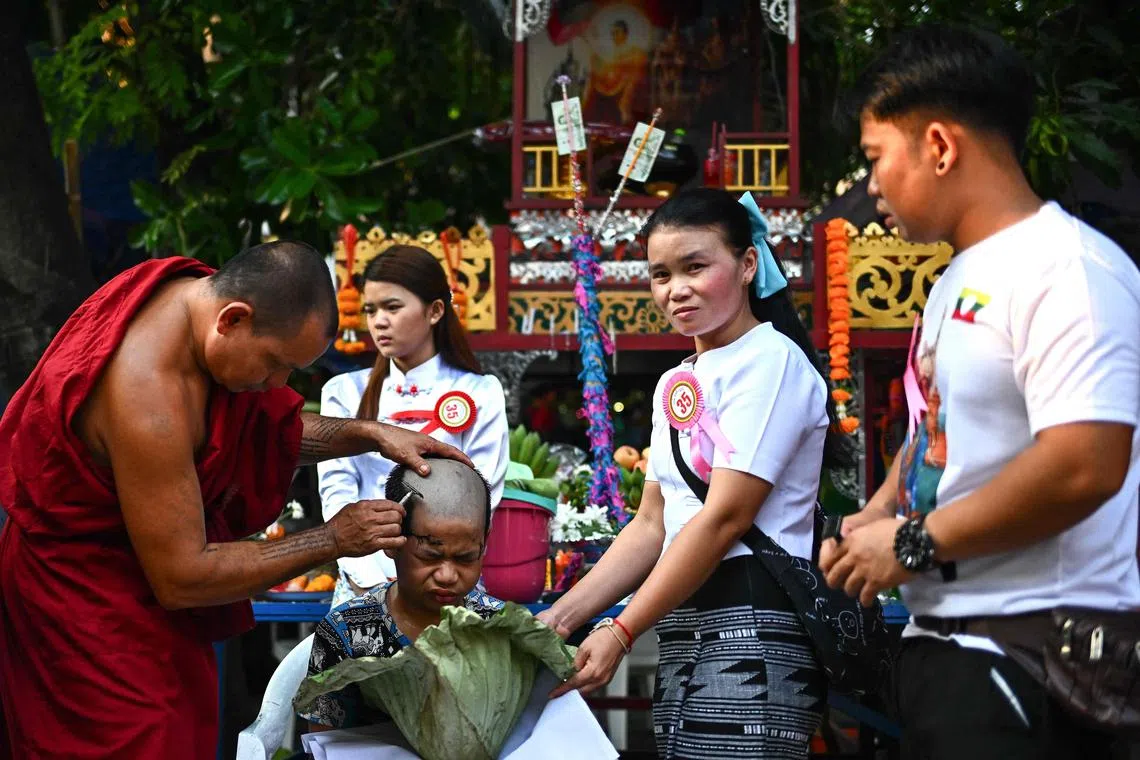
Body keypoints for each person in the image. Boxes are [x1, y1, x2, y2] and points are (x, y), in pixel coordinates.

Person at [0, 244, 468, 759]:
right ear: (233, 319)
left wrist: (368, 434)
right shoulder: (145, 395)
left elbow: (266, 433)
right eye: (274, 365)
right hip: (85, 602)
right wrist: (333, 538)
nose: (276, 386)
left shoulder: (196, 306)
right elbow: (183, 576)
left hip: (147, 595)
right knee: (146, 739)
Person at [819, 25, 1140, 759]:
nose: (869, 187)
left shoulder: (1069, 271)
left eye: (875, 158)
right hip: (952, 648)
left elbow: (1086, 462)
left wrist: (908, 543)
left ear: (939, 145)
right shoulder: (954, 279)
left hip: (1031, 655)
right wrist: (871, 518)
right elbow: (940, 433)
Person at [538, 188, 852, 759]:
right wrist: (559, 619)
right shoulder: (674, 381)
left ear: (748, 264)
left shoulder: (773, 361)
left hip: (756, 631)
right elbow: (651, 524)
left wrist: (621, 630)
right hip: (683, 627)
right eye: (660, 274)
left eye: (695, 267)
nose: (675, 289)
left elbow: (725, 518)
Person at [318, 246, 508, 604]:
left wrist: (426, 569)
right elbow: (336, 494)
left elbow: (483, 498)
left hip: (446, 579)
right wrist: (373, 581)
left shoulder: (480, 392)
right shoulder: (343, 393)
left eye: (392, 307)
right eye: (371, 310)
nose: (379, 322)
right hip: (361, 580)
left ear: (435, 311)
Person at [301, 458, 503, 731]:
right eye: (430, 556)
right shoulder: (347, 631)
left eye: (465, 558)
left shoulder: (499, 627)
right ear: (392, 541)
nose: (447, 575)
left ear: (485, 542)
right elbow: (323, 743)